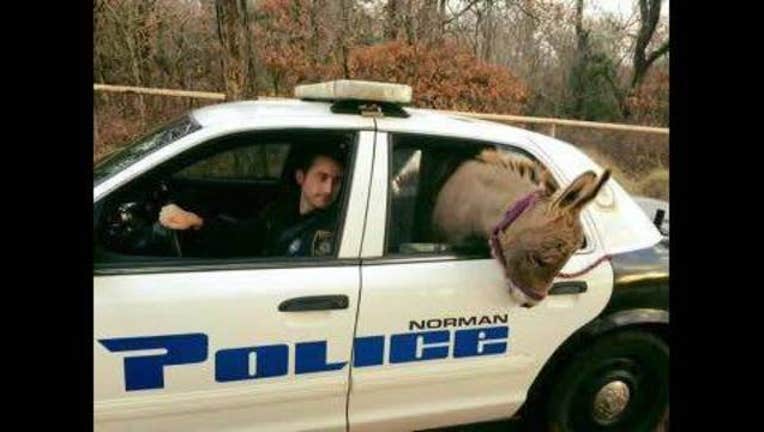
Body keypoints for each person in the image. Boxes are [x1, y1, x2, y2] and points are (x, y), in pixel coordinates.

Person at [155, 145, 345, 258]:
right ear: (300, 177)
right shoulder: (283, 211)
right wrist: (196, 222)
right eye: (322, 177)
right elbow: (246, 236)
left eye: (336, 181)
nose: (329, 189)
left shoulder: (337, 225)